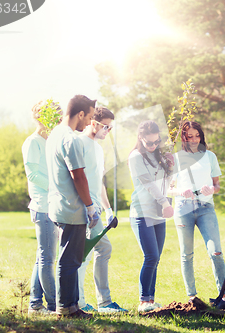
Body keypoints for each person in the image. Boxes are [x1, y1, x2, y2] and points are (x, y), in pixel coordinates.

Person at [46, 94, 99, 319]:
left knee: (71, 259)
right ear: (80, 114)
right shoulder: (70, 139)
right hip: (71, 208)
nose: (89, 122)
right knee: (70, 260)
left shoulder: (54, 134)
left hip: (58, 205)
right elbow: (78, 176)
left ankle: (72, 306)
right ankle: (66, 308)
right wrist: (89, 206)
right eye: (89, 117)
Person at [168, 121, 225, 303]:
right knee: (186, 254)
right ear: (184, 138)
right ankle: (192, 297)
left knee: (215, 252)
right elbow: (167, 189)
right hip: (183, 209)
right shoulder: (177, 159)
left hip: (206, 208)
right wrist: (180, 192)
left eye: (197, 136)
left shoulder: (210, 156)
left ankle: (224, 296)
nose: (195, 140)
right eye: (190, 136)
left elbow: (217, 185)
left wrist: (212, 189)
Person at [77, 106, 127, 313]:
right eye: (106, 126)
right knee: (83, 254)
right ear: (93, 122)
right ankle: (84, 302)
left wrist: (108, 209)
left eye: (111, 127)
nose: (108, 131)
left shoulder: (97, 148)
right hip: (83, 208)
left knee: (99, 250)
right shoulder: (79, 143)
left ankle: (99, 302)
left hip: (96, 209)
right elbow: (76, 178)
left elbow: (99, 182)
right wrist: (88, 207)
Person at [128, 120, 174, 313]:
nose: (153, 145)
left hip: (158, 212)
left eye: (156, 142)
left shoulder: (159, 156)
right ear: (140, 138)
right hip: (142, 212)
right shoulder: (136, 157)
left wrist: (171, 167)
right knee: (151, 256)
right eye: (149, 143)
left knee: (156, 258)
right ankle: (143, 301)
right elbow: (148, 183)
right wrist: (165, 203)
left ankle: (151, 301)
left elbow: (166, 182)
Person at [22, 101, 61, 315]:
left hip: (52, 205)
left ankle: (35, 305)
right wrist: (57, 186)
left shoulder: (50, 142)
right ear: (42, 118)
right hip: (43, 206)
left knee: (42, 256)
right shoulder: (32, 142)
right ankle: (55, 305)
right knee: (47, 259)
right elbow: (33, 175)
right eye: (54, 117)